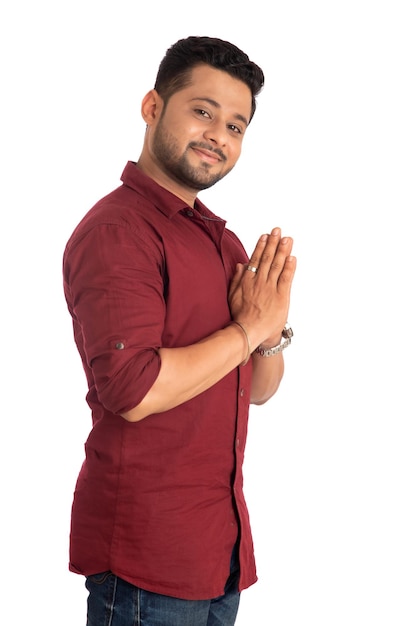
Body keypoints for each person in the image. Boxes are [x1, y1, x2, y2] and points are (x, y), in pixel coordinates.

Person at [63, 35, 296, 626]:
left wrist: (269, 330)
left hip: (219, 550)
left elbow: (260, 388)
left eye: (237, 126)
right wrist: (248, 330)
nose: (219, 135)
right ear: (152, 108)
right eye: (202, 111)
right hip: (146, 560)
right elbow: (133, 390)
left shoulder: (223, 242)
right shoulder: (119, 233)